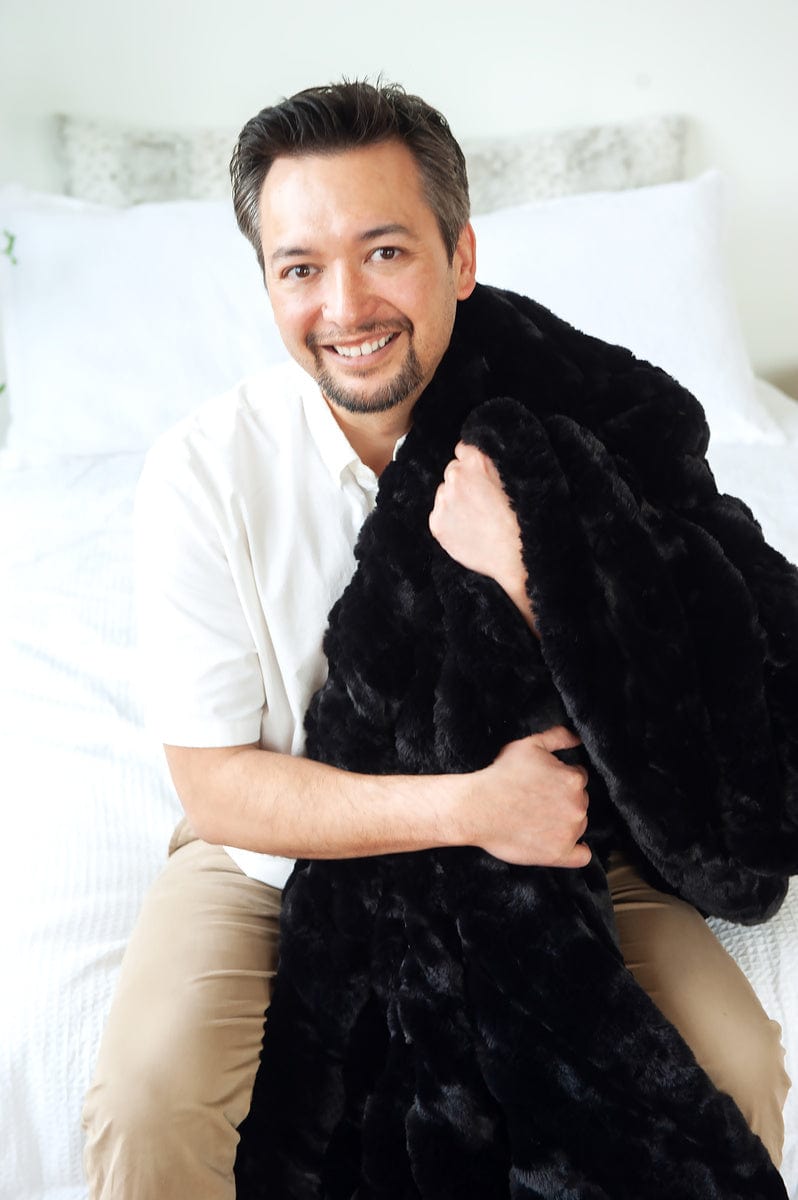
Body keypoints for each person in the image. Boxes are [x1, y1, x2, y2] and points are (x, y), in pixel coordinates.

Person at [81, 80, 789, 1198]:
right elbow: (217, 787)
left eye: (385, 252)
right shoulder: (203, 471)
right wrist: (468, 808)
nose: (346, 306)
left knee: (735, 1067)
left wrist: (534, 565)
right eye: (300, 268)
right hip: (283, 844)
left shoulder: (577, 419)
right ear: (265, 283)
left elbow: (711, 660)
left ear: (461, 257)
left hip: (559, 833)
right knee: (147, 1099)